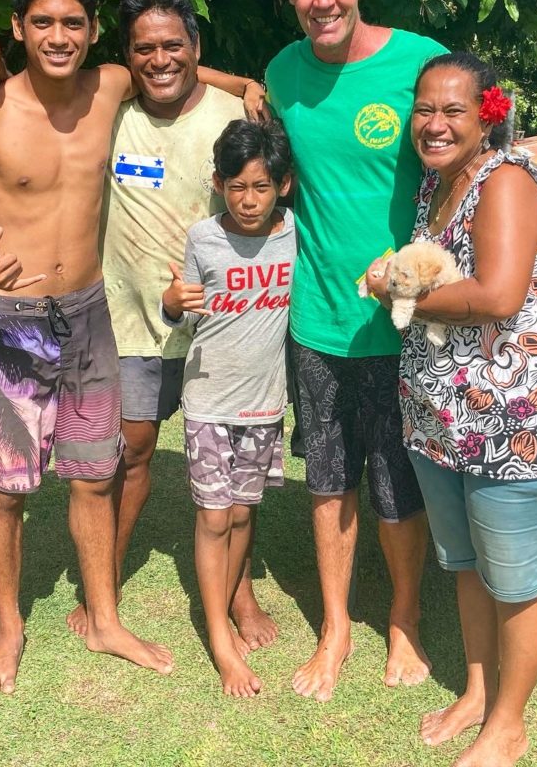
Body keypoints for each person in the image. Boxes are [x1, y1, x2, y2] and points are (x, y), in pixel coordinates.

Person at [264, 0, 537, 702]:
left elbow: (485, 135)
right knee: (328, 482)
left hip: (411, 328)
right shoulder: (279, 75)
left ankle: (404, 620)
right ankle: (336, 628)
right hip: (319, 319)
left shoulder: (417, 62)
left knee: (398, 487)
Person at [0, 0, 279, 651]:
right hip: (123, 321)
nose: (160, 59)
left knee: (234, 461)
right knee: (127, 453)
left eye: (175, 45)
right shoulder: (109, 103)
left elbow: (265, 196)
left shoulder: (233, 116)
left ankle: (240, 592)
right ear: (124, 57)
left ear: (196, 45)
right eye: (144, 50)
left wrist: (242, 80)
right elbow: (30, 97)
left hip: (221, 326)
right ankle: (110, 588)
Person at [0, 0, 175, 694]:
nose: (59, 36)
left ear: (94, 29)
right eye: (43, 23)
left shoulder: (113, 88)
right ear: (19, 29)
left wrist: (246, 86)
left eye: (72, 22)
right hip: (13, 323)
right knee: (8, 489)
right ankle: (9, 630)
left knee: (95, 478)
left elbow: (183, 76)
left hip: (89, 318)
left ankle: (104, 619)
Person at [365, 52, 537, 767]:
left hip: (520, 427)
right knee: (466, 564)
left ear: (487, 115)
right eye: (425, 110)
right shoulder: (439, 185)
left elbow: (498, 297)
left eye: (453, 111)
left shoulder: (504, 181)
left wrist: (390, 293)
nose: (434, 125)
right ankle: (476, 688)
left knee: (518, 577)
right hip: (446, 425)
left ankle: (509, 724)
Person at [160, 119, 295, 697]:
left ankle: (240, 603)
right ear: (218, 183)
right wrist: (171, 303)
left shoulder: (295, 233)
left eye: (260, 187)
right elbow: (183, 310)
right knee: (214, 517)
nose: (248, 200)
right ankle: (219, 636)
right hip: (210, 402)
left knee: (242, 514)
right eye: (236, 187)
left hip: (265, 406)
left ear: (282, 186)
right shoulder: (202, 239)